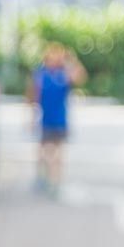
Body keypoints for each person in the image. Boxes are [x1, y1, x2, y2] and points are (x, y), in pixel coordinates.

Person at [28, 42, 86, 196]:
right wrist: (32, 118)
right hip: (45, 119)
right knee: (44, 151)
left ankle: (55, 182)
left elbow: (80, 77)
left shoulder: (63, 75)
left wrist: (71, 59)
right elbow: (33, 96)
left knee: (58, 153)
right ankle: (42, 177)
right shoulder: (41, 75)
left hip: (60, 120)